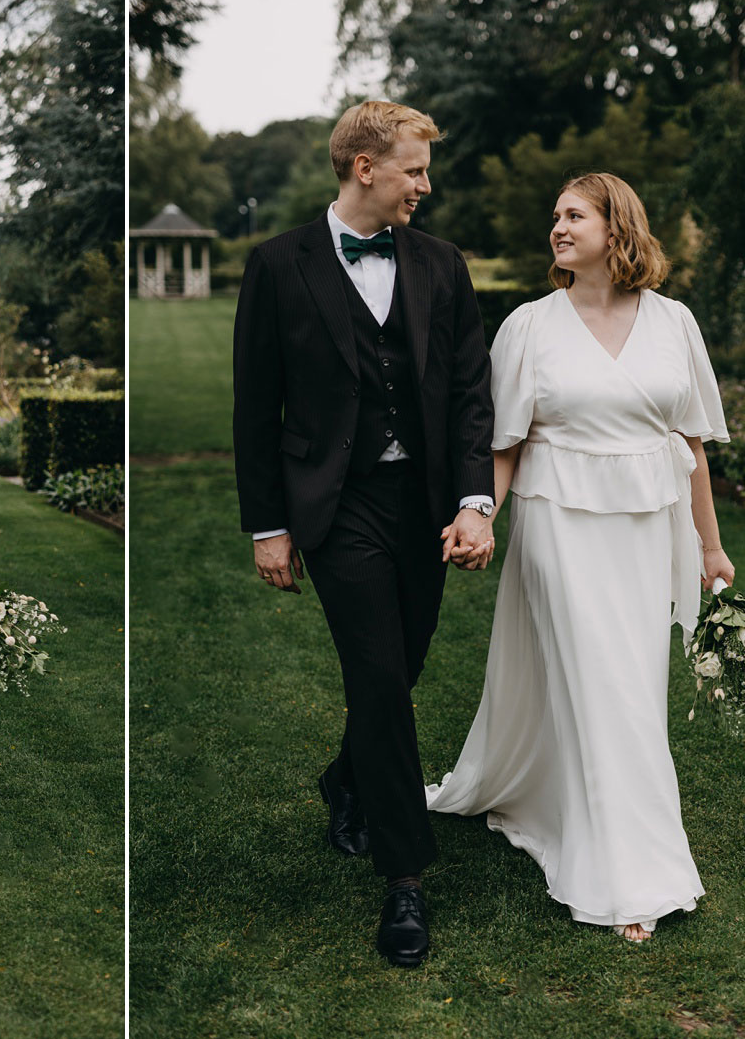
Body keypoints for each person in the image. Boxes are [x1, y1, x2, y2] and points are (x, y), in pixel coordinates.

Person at [426, 173, 736, 942]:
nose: (558, 228)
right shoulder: (530, 326)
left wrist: (711, 544)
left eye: (574, 215)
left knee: (631, 686)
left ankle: (570, 812)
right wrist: (479, 517)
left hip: (646, 532)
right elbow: (506, 445)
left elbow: (692, 447)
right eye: (554, 216)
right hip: (557, 525)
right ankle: (629, 881)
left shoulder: (674, 323)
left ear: (616, 227)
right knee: (604, 687)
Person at [232, 100, 497, 968]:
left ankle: (346, 778)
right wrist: (270, 526)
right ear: (364, 168)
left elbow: (467, 396)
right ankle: (406, 879)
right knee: (379, 677)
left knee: (406, 663)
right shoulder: (278, 266)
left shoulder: (442, 265)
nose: (426, 185)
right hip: (334, 506)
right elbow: (253, 406)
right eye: (415, 169)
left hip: (423, 504)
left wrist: (472, 501)